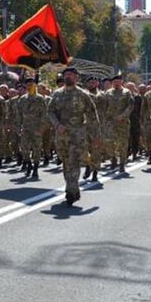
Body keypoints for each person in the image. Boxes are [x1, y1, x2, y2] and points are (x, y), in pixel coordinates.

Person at [48, 67, 100, 206]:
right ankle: (71, 188)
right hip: (61, 135)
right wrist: (57, 125)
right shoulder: (57, 94)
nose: (67, 76)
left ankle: (72, 190)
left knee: (74, 161)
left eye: (70, 74)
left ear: (77, 77)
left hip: (77, 134)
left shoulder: (83, 95)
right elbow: (50, 111)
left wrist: (96, 136)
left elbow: (92, 116)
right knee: (66, 162)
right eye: (66, 74)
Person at [18, 78, 47, 178]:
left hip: (36, 128)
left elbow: (44, 114)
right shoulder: (23, 99)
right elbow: (19, 115)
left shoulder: (40, 99)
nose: (29, 86)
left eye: (31, 85)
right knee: (24, 148)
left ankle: (35, 169)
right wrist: (19, 128)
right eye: (28, 85)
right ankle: (29, 164)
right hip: (25, 128)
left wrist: (41, 128)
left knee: (37, 149)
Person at [104, 75, 134, 173]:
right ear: (112, 83)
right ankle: (113, 158)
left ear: (121, 82)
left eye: (118, 82)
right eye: (115, 82)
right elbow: (104, 106)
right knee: (109, 141)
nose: (116, 83)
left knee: (123, 143)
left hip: (123, 122)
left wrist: (123, 116)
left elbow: (130, 106)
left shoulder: (127, 92)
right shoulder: (108, 93)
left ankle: (122, 162)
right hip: (110, 122)